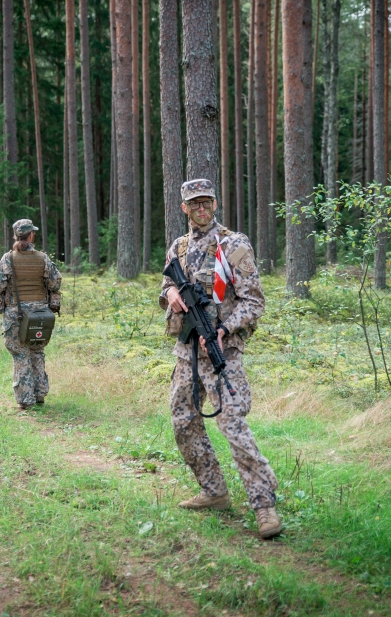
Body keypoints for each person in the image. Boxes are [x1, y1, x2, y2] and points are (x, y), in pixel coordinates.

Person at [159, 178, 282, 539]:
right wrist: (170, 293)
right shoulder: (178, 247)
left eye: (206, 202)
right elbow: (162, 290)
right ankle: (213, 491)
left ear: (215, 204)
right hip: (186, 354)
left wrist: (225, 329)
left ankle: (264, 506)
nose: (201, 209)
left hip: (222, 354)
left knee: (233, 426)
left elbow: (254, 301)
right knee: (183, 422)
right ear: (184, 208)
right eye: (194, 204)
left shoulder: (233, 244)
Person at [0, 219, 62, 409]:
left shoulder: (8, 259)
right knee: (37, 352)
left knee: (21, 354)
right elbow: (55, 284)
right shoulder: (43, 258)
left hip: (17, 315)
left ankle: (25, 400)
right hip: (40, 315)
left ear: (16, 236)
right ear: (31, 235)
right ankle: (40, 395)